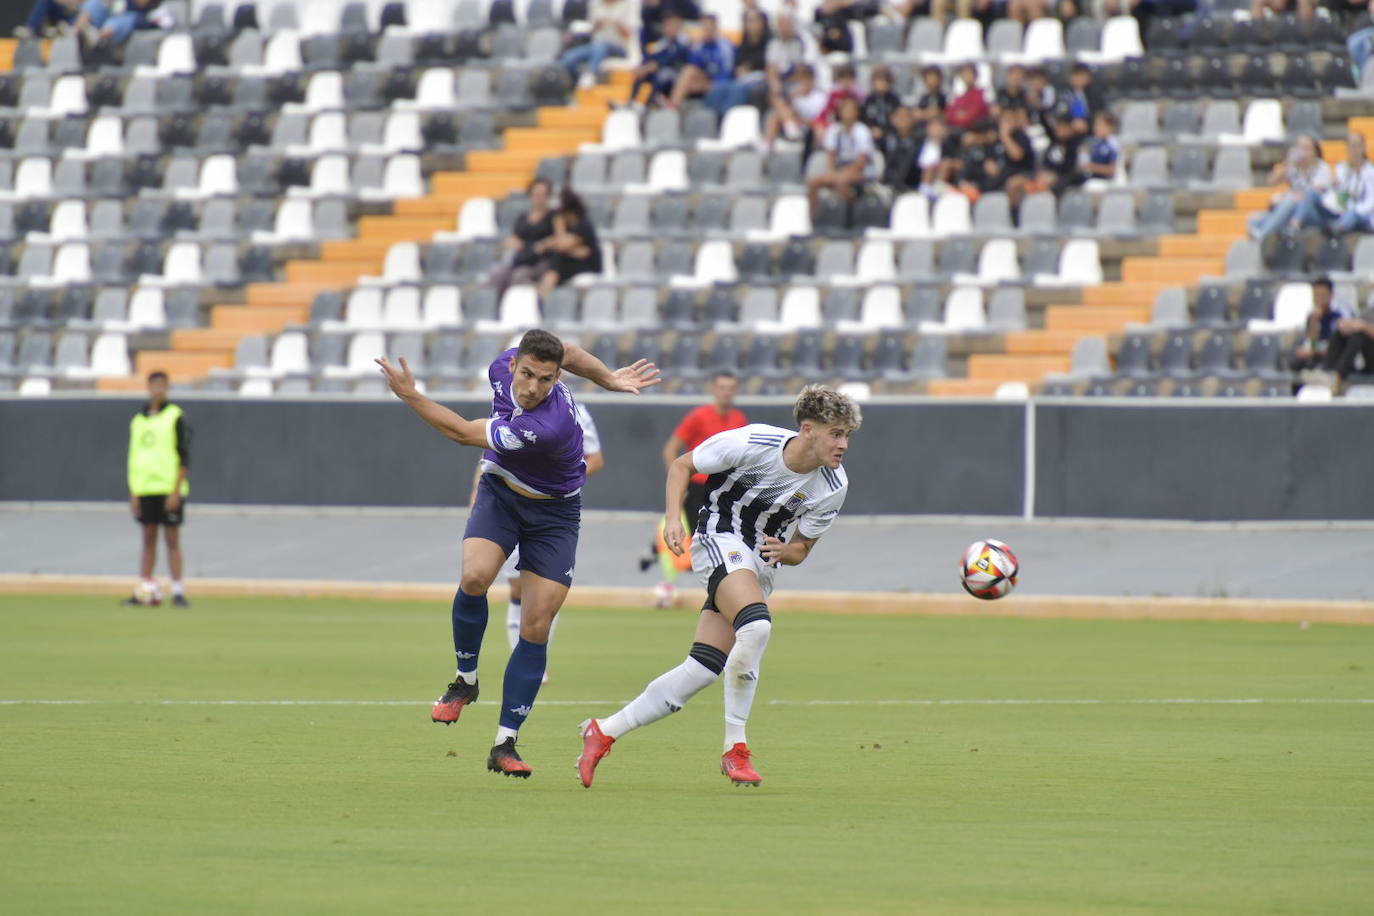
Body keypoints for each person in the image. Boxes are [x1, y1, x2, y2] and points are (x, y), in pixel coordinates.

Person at [375, 330, 660, 778]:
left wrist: (410, 395)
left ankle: (504, 742)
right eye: (528, 374)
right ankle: (465, 681)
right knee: (474, 578)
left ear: (554, 378)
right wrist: (607, 378)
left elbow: (459, 432)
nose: (533, 387)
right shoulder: (502, 367)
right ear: (513, 364)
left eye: (546, 379)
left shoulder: (547, 424)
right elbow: (574, 352)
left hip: (555, 515)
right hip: (501, 495)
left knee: (537, 623)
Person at [577, 385, 863, 789]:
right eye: (836, 433)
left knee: (701, 669)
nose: (843, 444)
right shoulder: (753, 442)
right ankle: (735, 748)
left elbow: (802, 548)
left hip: (757, 565)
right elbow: (681, 465)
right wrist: (674, 520)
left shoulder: (833, 485)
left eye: (848, 435)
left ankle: (603, 731)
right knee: (757, 627)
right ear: (808, 429)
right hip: (717, 537)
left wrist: (788, 551)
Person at [472, 402, 605, 680]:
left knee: (543, 593)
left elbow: (595, 459)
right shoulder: (509, 404)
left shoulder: (576, 411)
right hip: (507, 506)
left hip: (550, 511)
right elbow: (489, 454)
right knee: (517, 587)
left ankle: (535, 659)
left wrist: (560, 480)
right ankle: (519, 658)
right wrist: (477, 499)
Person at [642, 372, 747, 602]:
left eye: (731, 388)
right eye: (722, 387)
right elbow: (671, 448)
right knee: (689, 536)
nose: (726, 392)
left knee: (722, 537)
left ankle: (720, 588)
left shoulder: (738, 419)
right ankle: (666, 583)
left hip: (724, 490)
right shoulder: (699, 416)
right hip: (698, 487)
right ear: (713, 389)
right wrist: (679, 483)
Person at [122, 371, 191, 608]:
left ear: (167, 388)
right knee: (148, 539)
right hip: (145, 488)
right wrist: (134, 492)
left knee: (172, 539)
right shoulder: (138, 420)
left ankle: (178, 591)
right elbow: (134, 458)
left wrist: (175, 490)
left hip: (167, 487)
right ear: (148, 387)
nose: (157, 390)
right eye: (154, 386)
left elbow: (184, 456)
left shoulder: (175, 416)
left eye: (162, 386)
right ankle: (144, 588)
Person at [1249, 135, 1333, 242]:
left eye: (1306, 148)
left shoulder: (1322, 168)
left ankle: (1262, 235)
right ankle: (1266, 238)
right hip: (1291, 210)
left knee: (1289, 200)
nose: (1303, 152)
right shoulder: (1293, 166)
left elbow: (1312, 195)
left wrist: (1291, 196)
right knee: (1253, 218)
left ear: (1315, 152)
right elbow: (1271, 181)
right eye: (1299, 148)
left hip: (1313, 213)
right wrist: (1287, 163)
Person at [806, 95, 875, 220]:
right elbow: (831, 154)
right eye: (845, 109)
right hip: (840, 168)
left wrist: (843, 174)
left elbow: (862, 160)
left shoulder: (862, 131)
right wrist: (832, 172)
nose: (848, 113)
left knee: (841, 181)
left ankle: (850, 215)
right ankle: (813, 218)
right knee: (813, 182)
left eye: (851, 109)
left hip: (860, 170)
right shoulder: (834, 129)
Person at [1294, 131, 1374, 235]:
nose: (1353, 150)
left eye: (1356, 146)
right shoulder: (1341, 168)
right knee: (1312, 194)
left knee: (1351, 215)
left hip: (1360, 214)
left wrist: (1351, 208)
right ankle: (1295, 224)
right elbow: (1337, 194)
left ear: (1363, 148)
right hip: (1340, 209)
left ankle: (1336, 229)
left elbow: (1371, 202)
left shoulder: (1370, 172)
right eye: (1350, 146)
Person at [488, 177, 554, 299]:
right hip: (521, 258)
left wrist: (542, 245)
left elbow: (555, 240)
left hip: (540, 261)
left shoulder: (553, 217)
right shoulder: (523, 218)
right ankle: (495, 309)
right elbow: (514, 237)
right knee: (498, 274)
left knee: (519, 276)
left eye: (542, 195)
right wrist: (512, 242)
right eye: (536, 195)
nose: (539, 198)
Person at [537, 189, 603, 299]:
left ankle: (545, 290)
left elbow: (562, 245)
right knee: (556, 257)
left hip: (588, 265)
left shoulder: (583, 225)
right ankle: (546, 287)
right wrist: (574, 251)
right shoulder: (570, 227)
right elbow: (568, 248)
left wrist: (558, 226)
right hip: (571, 262)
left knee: (557, 256)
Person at [558, 0, 637, 87]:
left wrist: (616, 24)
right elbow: (590, 31)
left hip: (618, 47)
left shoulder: (626, 5)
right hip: (596, 46)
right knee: (568, 57)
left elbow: (629, 35)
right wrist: (597, 25)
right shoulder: (595, 3)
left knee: (602, 45)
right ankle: (578, 85)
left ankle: (591, 74)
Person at [667, 13, 735, 109]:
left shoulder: (725, 46)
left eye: (710, 28)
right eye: (705, 28)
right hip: (705, 80)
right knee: (688, 72)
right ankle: (672, 108)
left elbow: (728, 73)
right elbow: (694, 66)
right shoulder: (699, 45)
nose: (707, 31)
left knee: (688, 80)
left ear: (716, 28)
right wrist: (693, 46)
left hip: (720, 81)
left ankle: (672, 106)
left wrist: (708, 84)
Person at [760, 62, 828, 152]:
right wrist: (792, 97)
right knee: (775, 114)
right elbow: (787, 110)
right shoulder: (796, 95)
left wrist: (801, 119)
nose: (804, 82)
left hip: (812, 126)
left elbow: (819, 120)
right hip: (795, 124)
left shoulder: (820, 97)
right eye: (801, 79)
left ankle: (791, 127)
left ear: (812, 80)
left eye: (806, 79)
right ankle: (766, 148)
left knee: (781, 111)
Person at [627, 13, 690, 108]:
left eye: (673, 26)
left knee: (661, 75)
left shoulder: (684, 43)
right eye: (667, 26)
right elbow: (650, 56)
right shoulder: (662, 43)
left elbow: (671, 59)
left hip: (676, 75)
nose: (670, 29)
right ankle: (630, 103)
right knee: (642, 74)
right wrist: (642, 67)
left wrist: (654, 66)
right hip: (658, 70)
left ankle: (647, 105)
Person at [1290, 277, 1352, 373]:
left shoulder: (1340, 315)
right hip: (1318, 353)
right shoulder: (1312, 315)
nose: (1319, 299)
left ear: (1331, 295)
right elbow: (1311, 342)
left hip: (1336, 357)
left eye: (1322, 295)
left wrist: (1312, 349)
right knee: (1296, 356)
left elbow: (1337, 345)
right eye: (1316, 295)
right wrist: (1314, 321)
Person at [1323, 299, 1374, 388]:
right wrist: (1347, 326)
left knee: (1360, 333)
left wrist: (1365, 327)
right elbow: (1358, 324)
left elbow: (1362, 326)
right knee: (1340, 333)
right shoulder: (1369, 311)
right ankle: (1328, 372)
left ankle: (1338, 375)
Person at [73, 0, 159, 47]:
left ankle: (96, 37)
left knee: (115, 22)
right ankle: (76, 32)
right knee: (93, 3)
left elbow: (143, 3)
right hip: (113, 12)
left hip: (138, 16)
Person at [881, 104, 923, 190]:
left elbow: (908, 167)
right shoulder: (891, 138)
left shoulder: (918, 140)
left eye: (905, 117)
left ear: (912, 119)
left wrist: (895, 186)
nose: (902, 120)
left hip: (910, 186)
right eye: (899, 116)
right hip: (890, 184)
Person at [944, 63, 990, 133]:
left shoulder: (980, 94)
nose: (967, 76)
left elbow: (972, 117)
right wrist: (959, 116)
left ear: (975, 76)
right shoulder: (959, 98)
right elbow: (949, 114)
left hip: (976, 131)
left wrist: (961, 115)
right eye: (965, 74)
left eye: (970, 74)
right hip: (959, 130)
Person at [862, 65, 902, 144]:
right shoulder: (869, 100)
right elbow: (865, 118)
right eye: (879, 80)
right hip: (872, 134)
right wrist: (871, 129)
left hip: (889, 134)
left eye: (885, 80)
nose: (882, 84)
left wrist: (883, 130)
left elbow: (897, 120)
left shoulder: (894, 100)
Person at [1078, 110, 1120, 185]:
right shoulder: (1096, 143)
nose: (1096, 128)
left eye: (1099, 125)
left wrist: (1090, 166)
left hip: (1109, 182)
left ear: (1109, 127)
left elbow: (1112, 170)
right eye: (1095, 125)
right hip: (1094, 180)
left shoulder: (1113, 144)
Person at [15, 0, 81, 39]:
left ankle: (66, 30)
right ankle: (30, 29)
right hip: (60, 14)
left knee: (81, 12)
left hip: (76, 17)